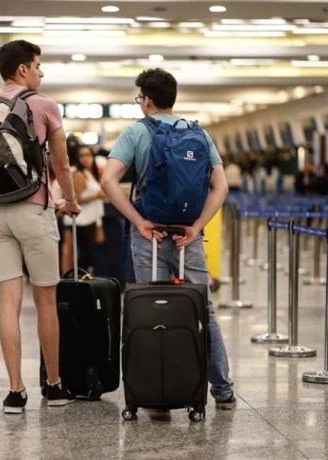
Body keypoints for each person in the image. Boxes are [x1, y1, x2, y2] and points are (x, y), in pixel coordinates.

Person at [100, 67, 236, 410]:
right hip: (187, 238)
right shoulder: (199, 135)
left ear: (146, 100)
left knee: (151, 310)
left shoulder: (136, 133)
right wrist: (196, 227)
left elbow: (108, 181)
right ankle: (221, 390)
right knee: (204, 309)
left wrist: (139, 221)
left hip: (150, 236)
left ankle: (155, 390)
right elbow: (221, 187)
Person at [0, 39, 81, 413]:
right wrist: (69, 200)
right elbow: (63, 166)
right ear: (22, 69)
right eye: (38, 66)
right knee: (46, 301)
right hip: (33, 210)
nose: (41, 72)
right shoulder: (44, 105)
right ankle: (53, 386)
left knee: (8, 303)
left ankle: (15, 391)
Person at [65, 144, 105, 272]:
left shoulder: (90, 173)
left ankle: (83, 279)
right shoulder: (79, 174)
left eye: (88, 155)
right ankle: (79, 280)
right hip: (81, 221)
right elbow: (76, 200)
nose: (85, 158)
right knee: (84, 255)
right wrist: (96, 196)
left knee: (89, 255)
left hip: (90, 219)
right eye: (81, 155)